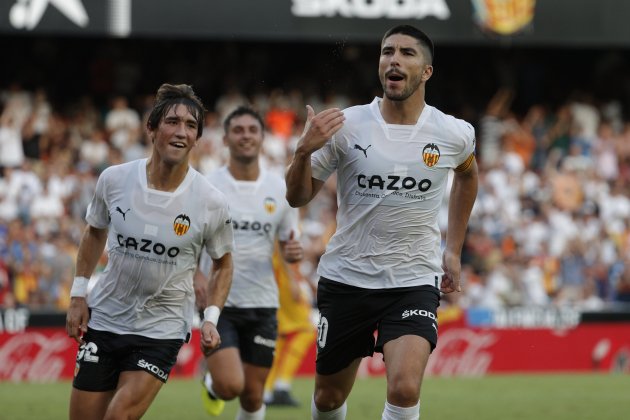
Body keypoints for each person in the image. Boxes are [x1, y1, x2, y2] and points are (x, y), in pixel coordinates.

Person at [285, 25, 479, 420]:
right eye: (387, 51)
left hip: (413, 280)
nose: (394, 59)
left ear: (426, 72)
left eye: (407, 53)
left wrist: (453, 250)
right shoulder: (347, 126)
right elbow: (297, 196)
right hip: (348, 278)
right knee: (327, 399)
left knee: (405, 388)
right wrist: (303, 151)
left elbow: (468, 175)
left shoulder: (453, 133)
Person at [65, 83, 235, 420]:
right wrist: (77, 294)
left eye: (190, 125)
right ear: (151, 128)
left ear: (198, 138)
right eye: (172, 121)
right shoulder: (114, 179)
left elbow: (224, 264)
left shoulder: (211, 200)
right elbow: (94, 231)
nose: (181, 131)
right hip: (105, 319)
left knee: (118, 417)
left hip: (162, 329)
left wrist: (211, 318)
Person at [198, 106, 303, 419]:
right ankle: (213, 383)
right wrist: (195, 277)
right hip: (220, 302)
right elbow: (188, 239)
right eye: (238, 130)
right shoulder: (206, 185)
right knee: (231, 385)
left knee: (254, 394)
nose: (245, 136)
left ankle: (218, 383)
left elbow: (287, 243)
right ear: (226, 139)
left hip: (264, 302)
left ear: (262, 138)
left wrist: (292, 259)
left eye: (252, 130)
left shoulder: (280, 188)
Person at [263, 247, 317, 407]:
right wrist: (293, 278)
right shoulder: (286, 224)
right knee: (307, 330)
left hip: (276, 280)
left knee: (279, 337)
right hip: (283, 279)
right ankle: (281, 387)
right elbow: (282, 242)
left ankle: (266, 392)